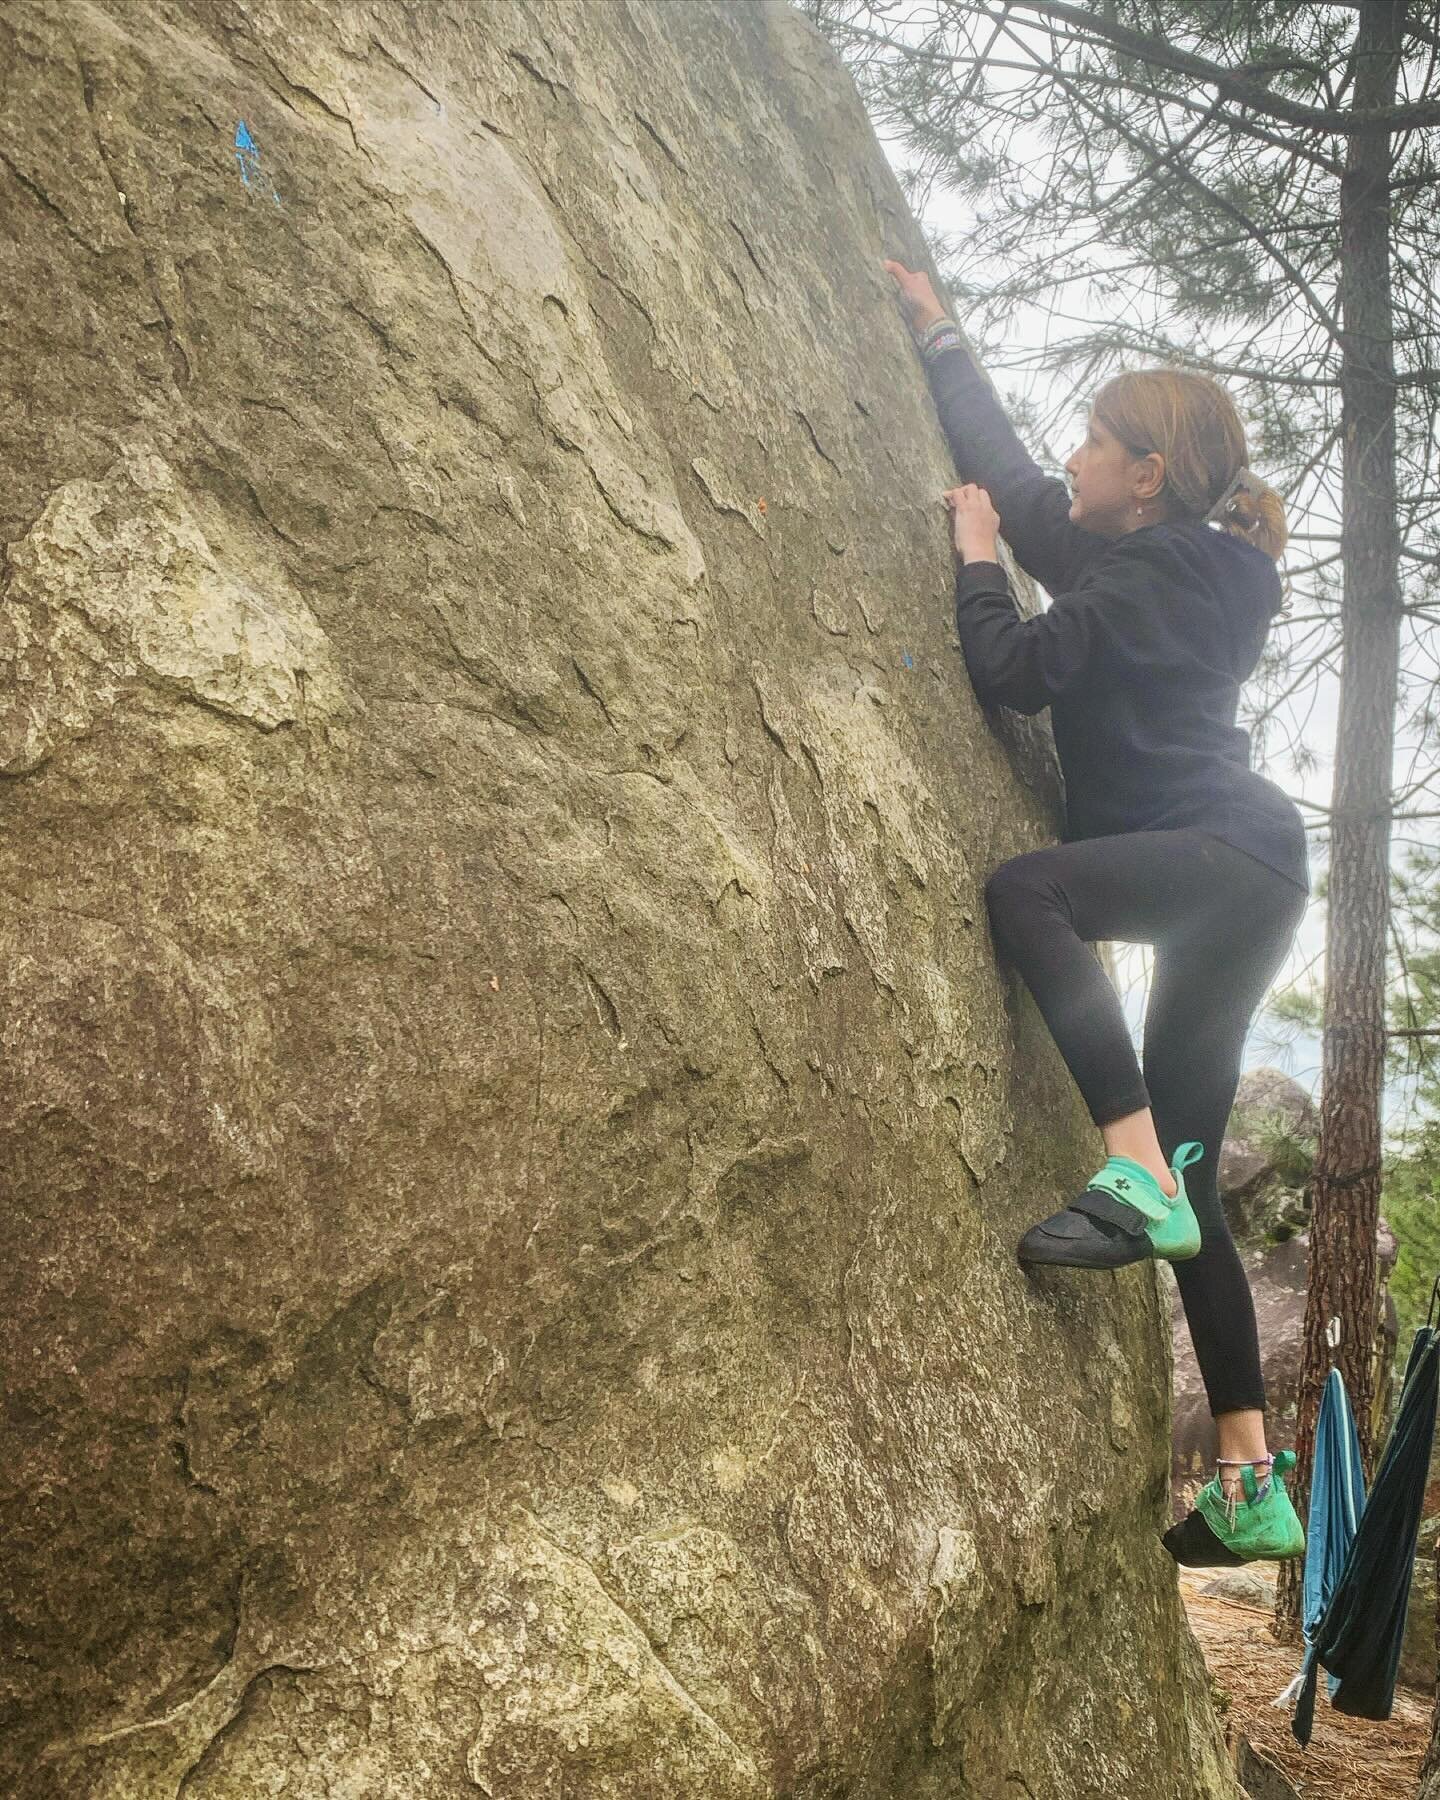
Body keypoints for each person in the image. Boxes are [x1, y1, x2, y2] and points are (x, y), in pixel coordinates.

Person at [884, 259, 1310, 1568]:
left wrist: (973, 563)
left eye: (1095, 440)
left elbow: (1011, 669)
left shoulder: (1129, 581)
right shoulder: (1164, 560)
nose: (1070, 454)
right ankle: (1248, 1478)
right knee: (1199, 1170)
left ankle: (1129, 1170)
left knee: (1029, 889)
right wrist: (940, 335)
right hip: (1249, 878)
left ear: (1146, 473)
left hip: (1221, 855)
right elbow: (1017, 474)